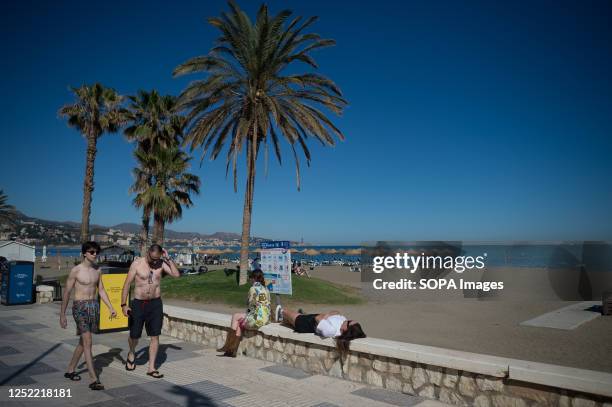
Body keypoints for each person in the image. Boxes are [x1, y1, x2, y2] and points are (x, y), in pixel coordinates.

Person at [60, 241, 117, 391]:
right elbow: (66, 292)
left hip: (93, 306)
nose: (95, 254)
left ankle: (70, 369)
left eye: (96, 252)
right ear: (84, 253)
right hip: (80, 307)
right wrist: (62, 315)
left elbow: (102, 291)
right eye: (92, 252)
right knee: (88, 341)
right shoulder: (76, 271)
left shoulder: (98, 270)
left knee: (83, 342)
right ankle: (93, 379)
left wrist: (111, 307)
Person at [120, 244, 180, 378]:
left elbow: (176, 275)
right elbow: (127, 284)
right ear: (148, 253)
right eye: (152, 259)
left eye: (156, 259)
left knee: (155, 335)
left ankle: (151, 368)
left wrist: (168, 259)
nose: (154, 262)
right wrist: (124, 304)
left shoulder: (161, 263)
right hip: (139, 303)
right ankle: (131, 352)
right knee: (134, 335)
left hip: (155, 304)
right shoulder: (137, 264)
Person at [217, 269, 271, 357]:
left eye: (250, 277)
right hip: (265, 318)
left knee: (235, 316)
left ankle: (228, 346)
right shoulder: (266, 289)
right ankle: (231, 351)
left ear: (253, 278)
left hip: (256, 319)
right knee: (239, 322)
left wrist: (247, 315)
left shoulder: (253, 289)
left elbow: (250, 306)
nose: (249, 279)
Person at [275, 307, 366, 357]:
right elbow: (337, 311)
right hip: (314, 318)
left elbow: (318, 318)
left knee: (286, 311)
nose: (348, 320)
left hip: (307, 323)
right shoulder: (343, 321)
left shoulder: (332, 331)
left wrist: (325, 316)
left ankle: (281, 314)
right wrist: (327, 315)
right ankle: (284, 320)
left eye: (349, 322)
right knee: (291, 318)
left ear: (346, 329)